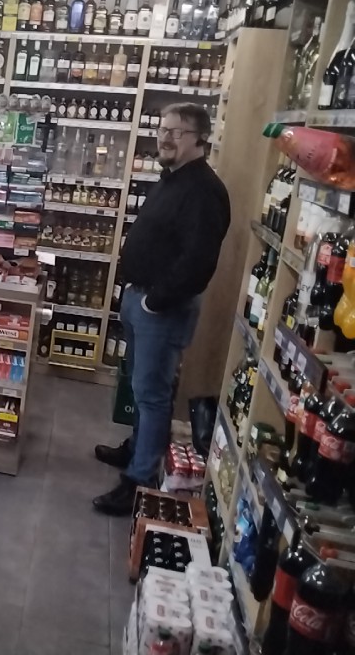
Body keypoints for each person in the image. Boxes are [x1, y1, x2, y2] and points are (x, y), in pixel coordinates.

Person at [92, 103, 230, 516]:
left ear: (200, 139)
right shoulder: (172, 179)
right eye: (162, 130)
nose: (164, 138)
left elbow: (199, 262)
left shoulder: (204, 190)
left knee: (152, 395)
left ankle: (138, 481)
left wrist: (155, 301)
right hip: (142, 300)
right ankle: (137, 449)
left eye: (175, 132)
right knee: (141, 388)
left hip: (162, 309)